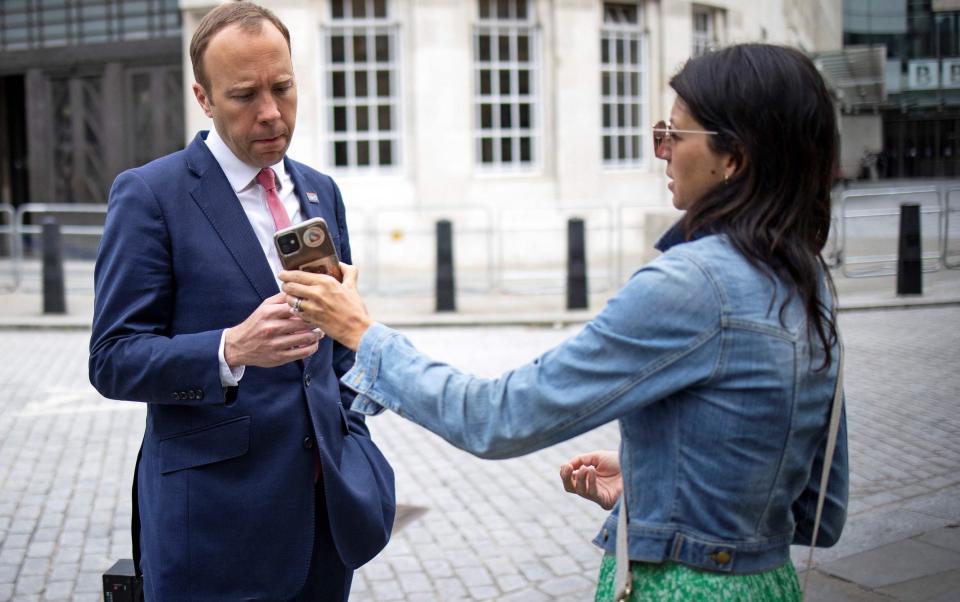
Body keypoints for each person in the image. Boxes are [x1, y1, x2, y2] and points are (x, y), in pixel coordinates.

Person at [280, 43, 848, 600]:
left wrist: (362, 335)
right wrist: (656, 484)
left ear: (735, 158)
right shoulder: (807, 278)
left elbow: (499, 416)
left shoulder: (692, 284)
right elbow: (821, 510)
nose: (663, 152)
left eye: (675, 134)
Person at [88, 3, 394, 600]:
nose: (271, 113)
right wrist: (231, 349)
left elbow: (336, 345)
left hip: (325, 521)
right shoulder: (151, 195)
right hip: (213, 529)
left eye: (282, 87)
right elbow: (112, 358)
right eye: (244, 95)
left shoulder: (319, 190)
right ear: (203, 98)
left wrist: (349, 428)